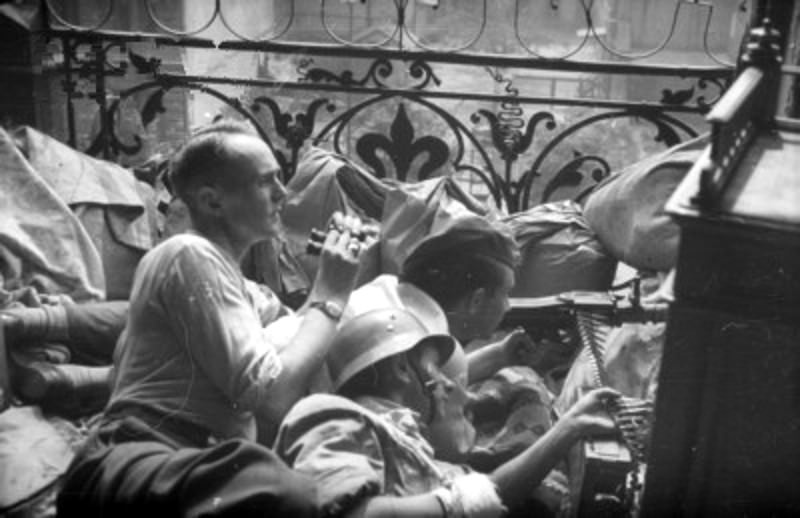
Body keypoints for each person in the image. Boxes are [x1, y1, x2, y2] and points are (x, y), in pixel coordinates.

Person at [56, 119, 368, 517]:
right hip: (137, 459)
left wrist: (340, 271)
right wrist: (331, 294)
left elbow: (301, 336)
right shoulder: (187, 254)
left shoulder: (242, 288)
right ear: (211, 201)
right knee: (285, 493)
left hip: (188, 463)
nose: (282, 193)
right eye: (265, 182)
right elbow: (273, 396)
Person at [275, 308, 620, 518]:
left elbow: (491, 496)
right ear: (400, 369)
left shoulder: (429, 461)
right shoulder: (330, 413)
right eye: (440, 372)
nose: (455, 388)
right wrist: (568, 428)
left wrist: (570, 428)